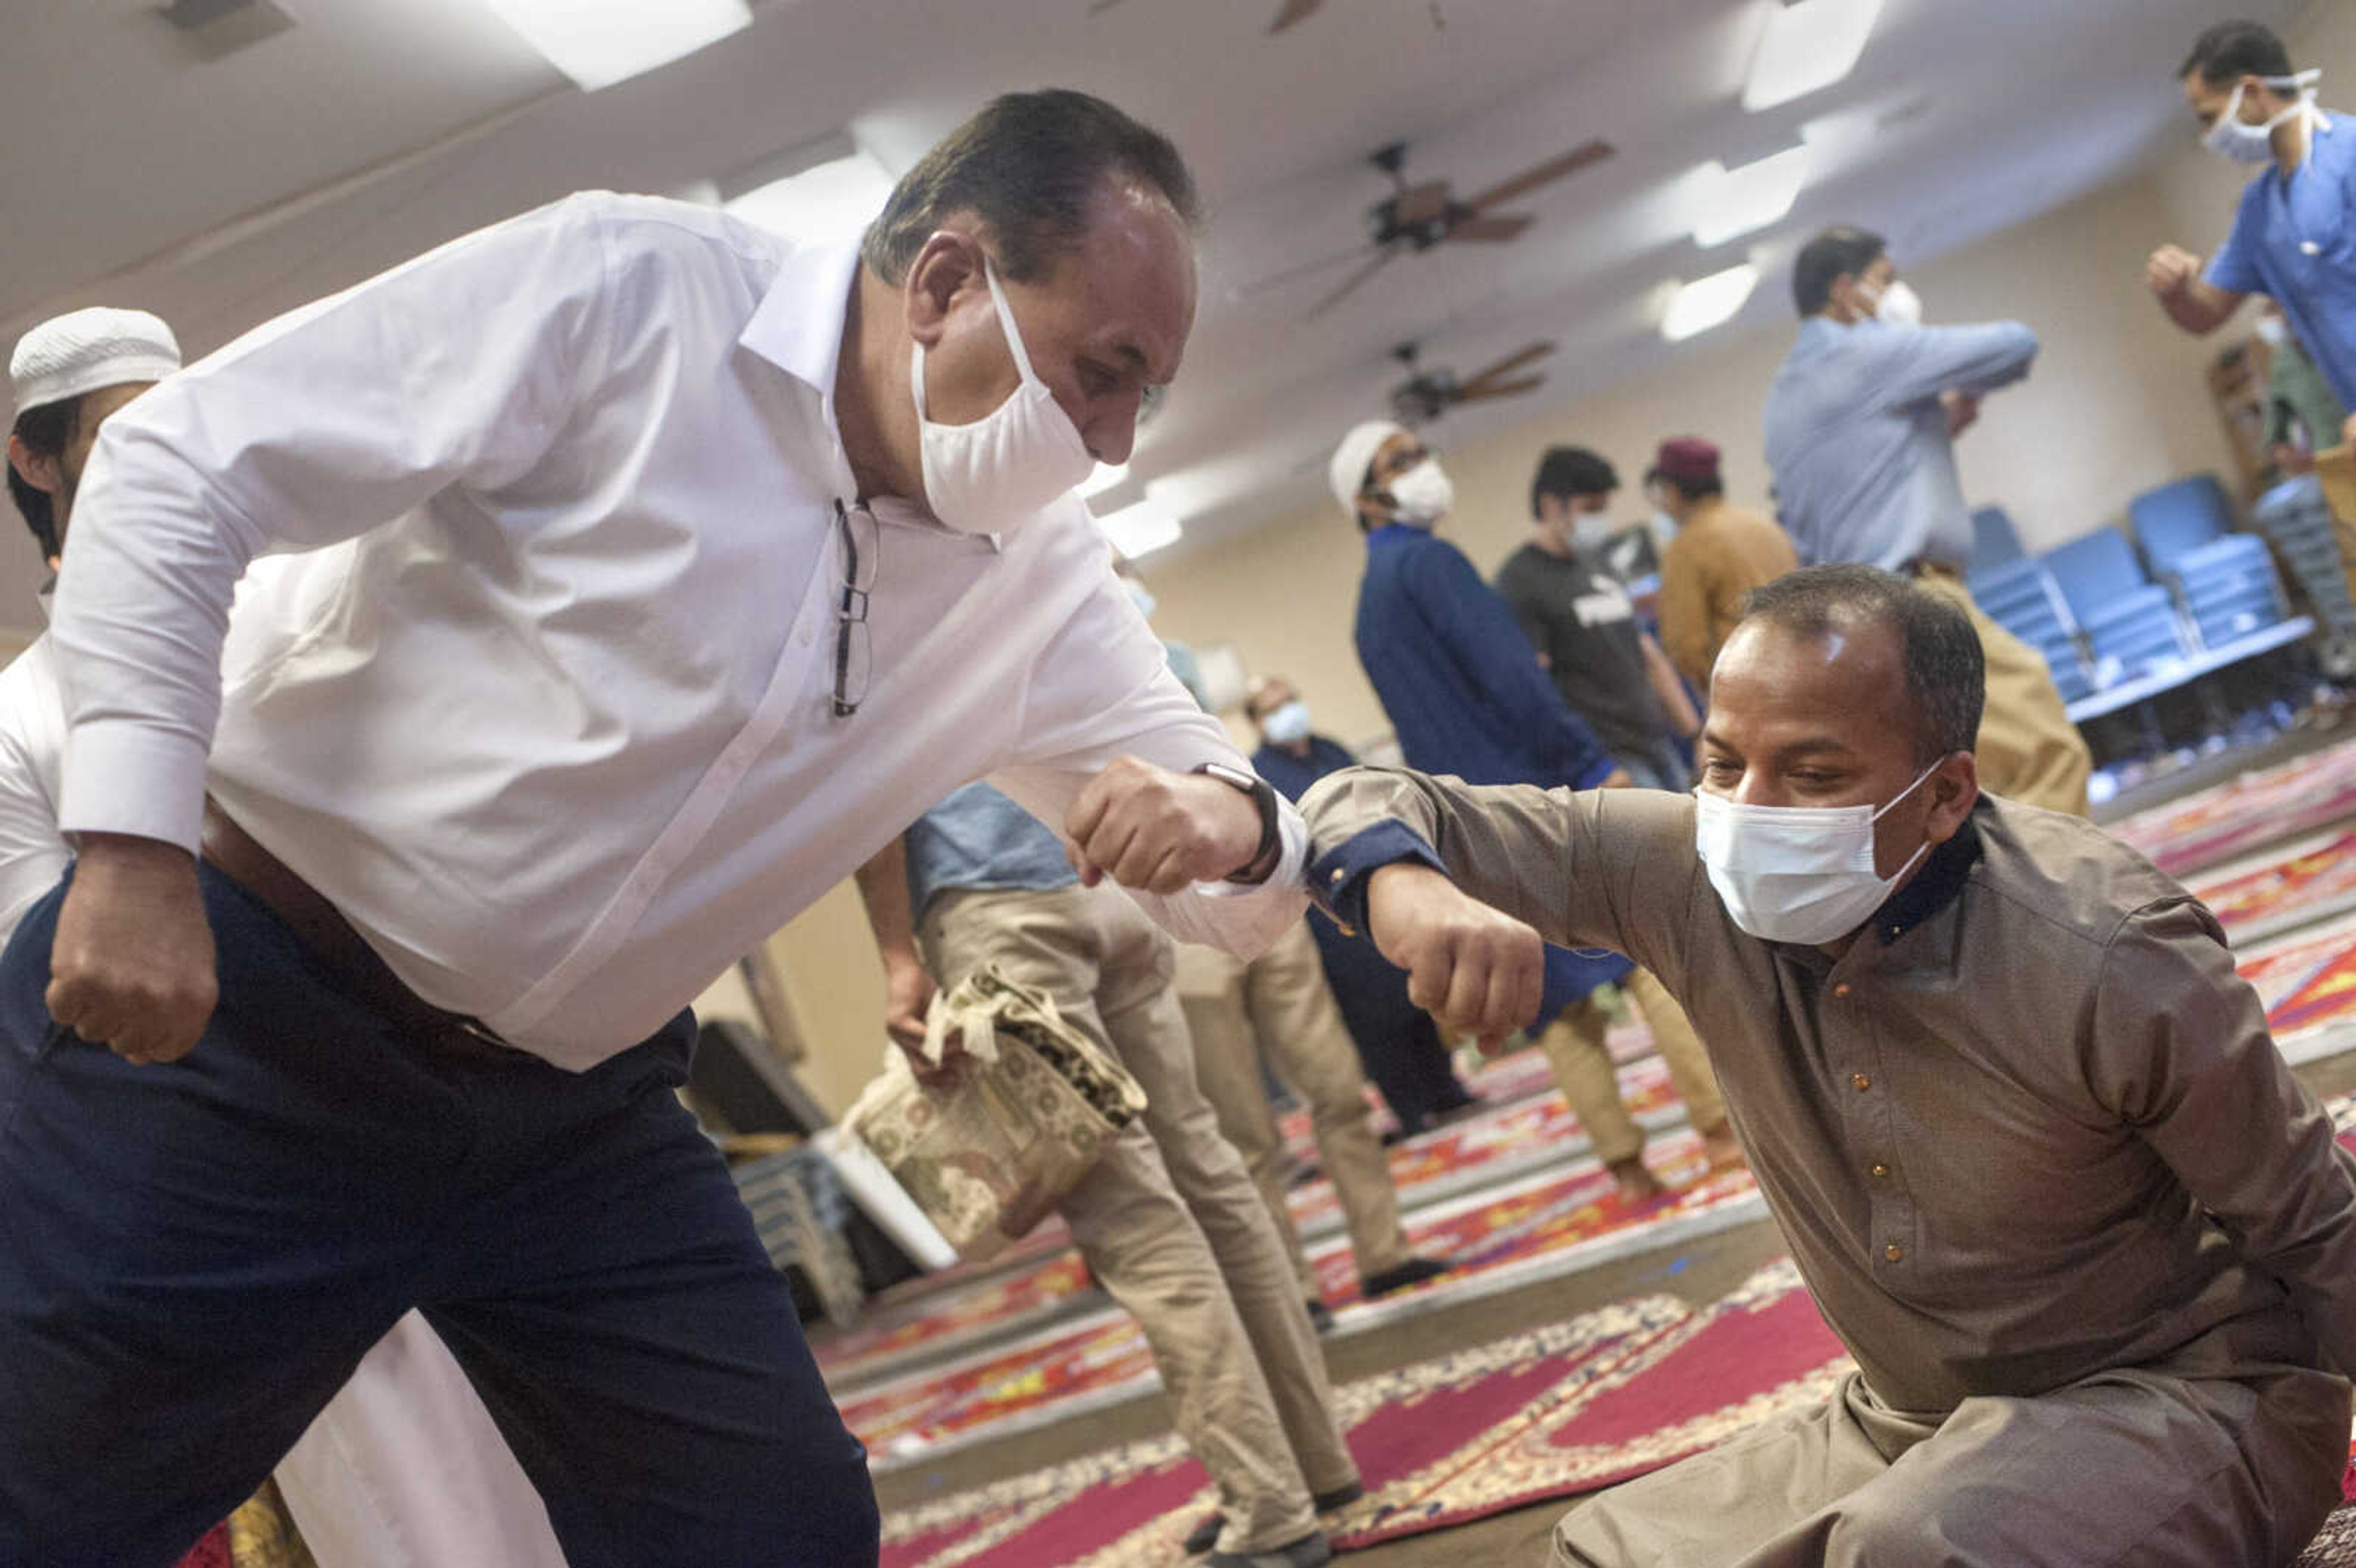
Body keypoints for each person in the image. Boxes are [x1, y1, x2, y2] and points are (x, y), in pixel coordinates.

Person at [1, 91, 1318, 1567]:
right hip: (254, 1026)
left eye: (1141, 399)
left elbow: (1249, 879)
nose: (1113, 439)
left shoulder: (1041, 578)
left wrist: (1220, 814)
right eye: (1100, 375)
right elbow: (176, 464)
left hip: (571, 1120)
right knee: (47, 1504)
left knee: (772, 1526)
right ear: (947, 284)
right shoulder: (631, 293)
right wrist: (126, 847)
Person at [1299, 564, 2356, 1567]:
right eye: (1721, 763)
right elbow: (1364, 799)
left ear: (1946, 797)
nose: (1749, 808)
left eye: (1811, 775)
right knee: (1603, 1549)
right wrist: (1409, 887)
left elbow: (2316, 1222)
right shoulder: (1685, 875)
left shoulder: (2107, 947)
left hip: (2184, 1395)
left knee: (1912, 1550)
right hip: (1909, 1422)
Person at [4, 307, 572, 1568]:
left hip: (470, 1109)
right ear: (36, 463)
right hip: (266, 1176)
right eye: (120, 437)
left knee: (578, 1491)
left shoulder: (307, 609)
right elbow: (64, 997)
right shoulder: (20, 715)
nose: (165, 457)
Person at [860, 788, 1355, 1568]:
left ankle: (1269, 1508)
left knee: (1135, 1216)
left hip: (998, 914)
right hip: (1114, 894)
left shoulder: (854, 660)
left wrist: (897, 957)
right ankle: (1318, 1467)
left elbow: (875, 805)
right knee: (1206, 1173)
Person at [1331, 421, 1737, 1201]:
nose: (1424, 470)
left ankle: (1627, 1169)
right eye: (1402, 462)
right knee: (1647, 955)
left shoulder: (1366, 610)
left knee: (1558, 1007)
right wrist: (1589, 762)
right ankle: (1721, 1134)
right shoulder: (1432, 563)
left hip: (1467, 822)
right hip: (1536, 797)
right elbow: (1514, 678)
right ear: (1366, 499)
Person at [1763, 225, 2093, 817]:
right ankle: (2060, 903)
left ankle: (1995, 902)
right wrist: (1915, 347)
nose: (1896, 294)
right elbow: (2016, 345)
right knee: (2044, 751)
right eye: (1885, 281)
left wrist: (1939, 421)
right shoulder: (1867, 353)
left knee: (1969, 779)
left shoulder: (1783, 396)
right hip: (1912, 601)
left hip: (1851, 624)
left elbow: (1856, 479)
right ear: (1845, 292)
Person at [1244, 675, 1476, 1137]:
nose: (1287, 712)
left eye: (1290, 701)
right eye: (1273, 709)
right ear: (1257, 722)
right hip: (1326, 906)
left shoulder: (1330, 750)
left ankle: (1446, 1088)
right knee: (1373, 1016)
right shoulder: (1260, 775)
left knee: (1411, 993)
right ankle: (1409, 1108)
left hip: (1378, 882)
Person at [2148, 20, 2356, 454]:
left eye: (2210, 117)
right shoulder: (2258, 212)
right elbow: (2205, 315)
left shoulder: (2349, 152)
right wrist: (2175, 293)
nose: (2208, 136)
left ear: (2254, 92)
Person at [1495, 445, 1701, 793]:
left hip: (1657, 742)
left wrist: (1696, 734)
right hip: (1611, 762)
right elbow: (1535, 686)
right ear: (1550, 506)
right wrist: (1591, 764)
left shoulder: (1597, 562)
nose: (1600, 520)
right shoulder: (1520, 580)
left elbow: (1645, 650)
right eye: (1590, 509)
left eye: (1604, 508)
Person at [1647, 437, 1800, 690]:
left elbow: (1685, 644)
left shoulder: (1686, 545)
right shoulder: (1763, 524)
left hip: (1749, 684)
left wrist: (1712, 692)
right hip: (1799, 664)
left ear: (1672, 490)